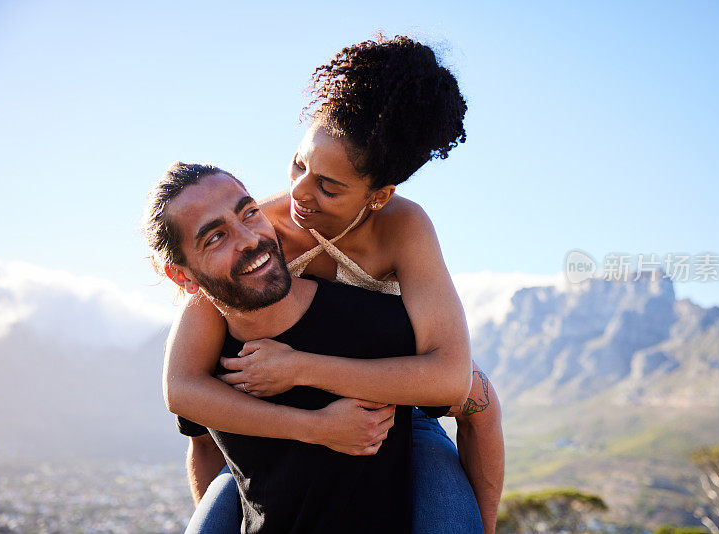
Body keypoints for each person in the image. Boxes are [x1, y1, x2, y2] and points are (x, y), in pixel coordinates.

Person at [163, 35, 504, 533]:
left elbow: (451, 378)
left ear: (379, 195)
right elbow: (187, 389)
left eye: (328, 186)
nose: (298, 193)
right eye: (301, 163)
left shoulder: (404, 229)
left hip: (397, 423)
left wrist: (300, 368)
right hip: (271, 433)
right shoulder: (254, 232)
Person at [144, 164, 489, 533]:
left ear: (380, 192)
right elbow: (191, 415)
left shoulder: (384, 307)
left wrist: (300, 368)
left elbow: (471, 396)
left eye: (249, 213)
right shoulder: (210, 338)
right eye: (214, 237)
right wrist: (316, 427)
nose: (247, 238)